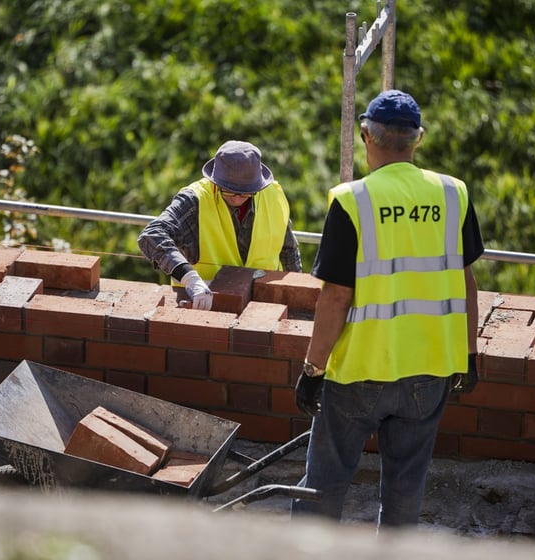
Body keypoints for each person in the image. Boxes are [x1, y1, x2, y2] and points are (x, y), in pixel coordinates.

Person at [290, 90, 485, 530]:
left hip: (360, 371)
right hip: (430, 369)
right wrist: (468, 355)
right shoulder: (453, 194)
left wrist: (312, 369)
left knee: (322, 485)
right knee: (404, 488)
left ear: (365, 136)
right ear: (418, 139)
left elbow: (336, 296)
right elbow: (466, 282)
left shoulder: (351, 201)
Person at [138, 140, 302, 310]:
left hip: (263, 303)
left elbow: (288, 250)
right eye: (229, 191)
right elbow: (151, 235)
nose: (237, 198)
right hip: (203, 301)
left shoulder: (273, 195)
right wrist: (188, 277)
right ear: (215, 181)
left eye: (245, 192)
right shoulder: (195, 200)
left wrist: (298, 293)